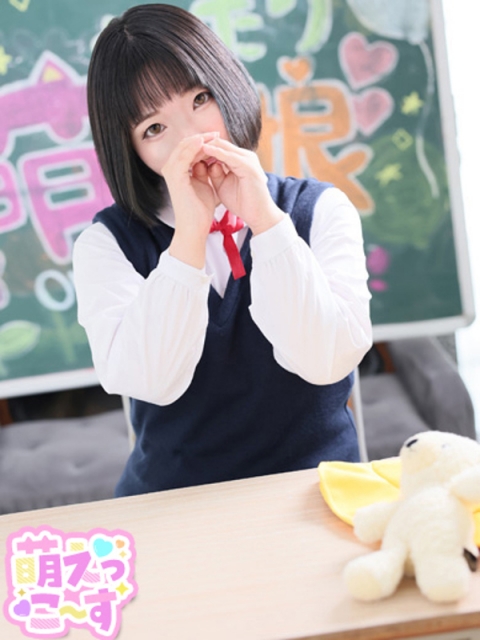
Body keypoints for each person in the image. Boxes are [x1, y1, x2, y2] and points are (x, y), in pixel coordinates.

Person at [73, 3, 372, 497]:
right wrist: (189, 236)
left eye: (200, 98)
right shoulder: (106, 245)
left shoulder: (321, 210)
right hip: (173, 504)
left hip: (317, 491)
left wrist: (267, 224)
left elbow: (328, 360)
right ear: (131, 151)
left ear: (227, 84)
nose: (192, 137)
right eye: (153, 129)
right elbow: (151, 379)